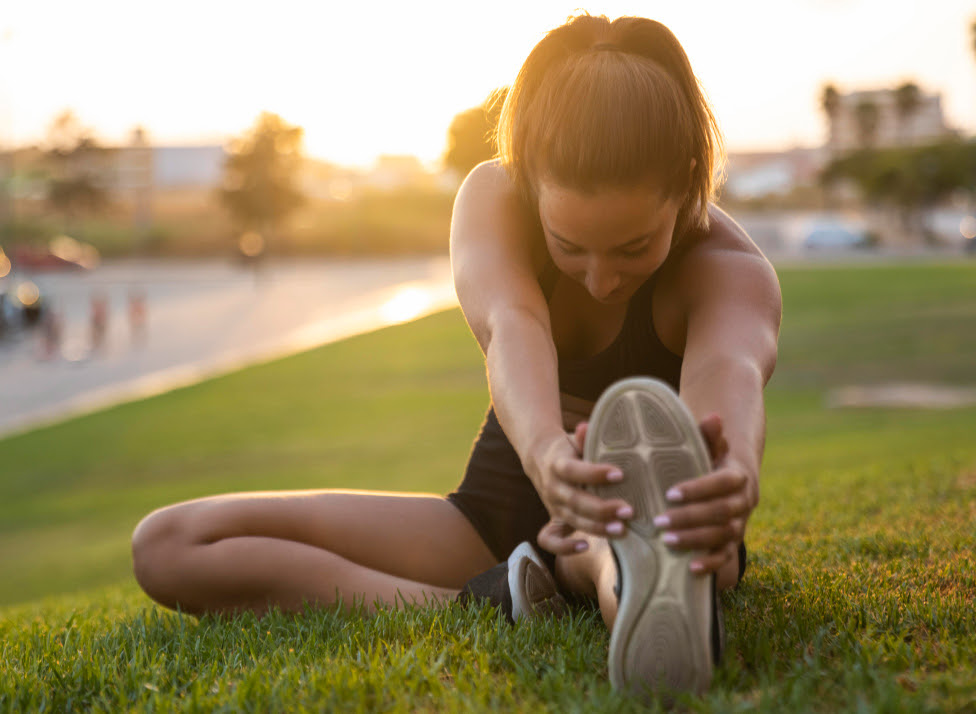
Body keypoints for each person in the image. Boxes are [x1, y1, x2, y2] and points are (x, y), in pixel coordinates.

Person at [131, 12, 780, 701]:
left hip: (666, 520)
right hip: (494, 515)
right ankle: (501, 597)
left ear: (685, 182)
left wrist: (733, 472)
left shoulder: (727, 270)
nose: (599, 279)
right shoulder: (494, 199)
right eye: (569, 247)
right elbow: (512, 326)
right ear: (530, 178)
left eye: (632, 248)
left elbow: (728, 379)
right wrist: (550, 457)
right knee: (170, 545)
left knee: (633, 554)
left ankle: (607, 568)